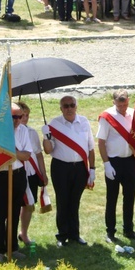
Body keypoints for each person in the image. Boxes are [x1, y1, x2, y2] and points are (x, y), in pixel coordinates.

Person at [42, 96, 96, 246]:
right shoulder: (55, 124)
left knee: (75, 201)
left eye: (72, 105)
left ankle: (75, 234)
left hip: (79, 167)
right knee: (62, 200)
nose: (69, 109)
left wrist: (92, 169)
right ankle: (62, 235)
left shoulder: (84, 122)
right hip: (61, 167)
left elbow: (91, 147)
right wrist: (46, 136)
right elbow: (48, 150)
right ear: (61, 109)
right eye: (65, 106)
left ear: (76, 107)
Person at [0, 103, 32, 262]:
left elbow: (26, 155)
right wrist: (16, 153)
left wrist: (10, 151)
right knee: (0, 213)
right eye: (14, 117)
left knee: (15, 212)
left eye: (20, 117)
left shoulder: (23, 130)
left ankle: (13, 247)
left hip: (18, 173)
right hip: (1, 175)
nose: (17, 120)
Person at [97, 90, 135, 243]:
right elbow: (101, 142)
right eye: (120, 105)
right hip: (113, 161)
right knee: (112, 198)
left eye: (125, 104)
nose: (123, 108)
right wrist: (106, 164)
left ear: (128, 101)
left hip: (129, 161)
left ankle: (128, 229)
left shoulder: (133, 114)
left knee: (129, 197)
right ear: (114, 102)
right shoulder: (107, 117)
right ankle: (110, 231)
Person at [18, 102, 48, 245]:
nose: (25, 118)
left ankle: (23, 233)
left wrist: (43, 172)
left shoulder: (32, 132)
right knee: (17, 203)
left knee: (29, 204)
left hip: (32, 172)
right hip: (18, 172)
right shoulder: (12, 133)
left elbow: (38, 154)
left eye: (27, 115)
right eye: (22, 115)